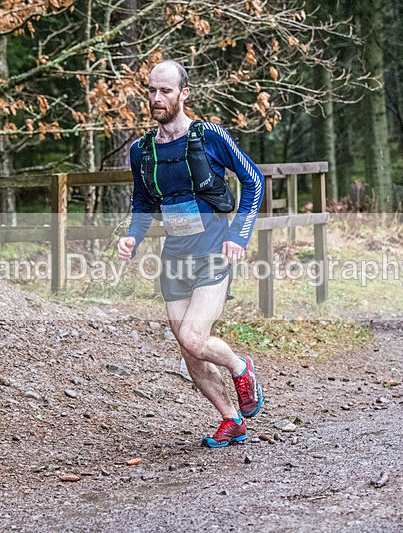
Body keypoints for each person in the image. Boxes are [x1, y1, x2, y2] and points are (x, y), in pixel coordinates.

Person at [117, 59, 265, 448]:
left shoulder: (209, 136)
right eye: (151, 90)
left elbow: (253, 180)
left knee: (195, 338)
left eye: (165, 90)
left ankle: (240, 366)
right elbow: (142, 201)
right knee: (187, 347)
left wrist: (239, 234)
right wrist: (133, 236)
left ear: (183, 94)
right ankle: (231, 419)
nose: (156, 97)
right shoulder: (142, 150)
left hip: (213, 252)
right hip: (174, 258)